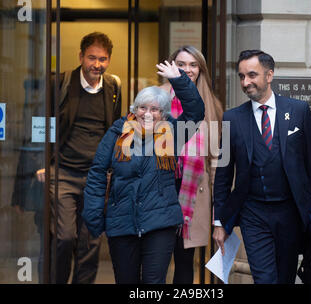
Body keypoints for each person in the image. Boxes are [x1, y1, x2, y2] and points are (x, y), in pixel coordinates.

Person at [82, 60, 205, 284]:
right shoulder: (117, 131)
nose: (147, 114)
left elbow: (196, 112)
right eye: (142, 107)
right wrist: (94, 217)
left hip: (160, 223)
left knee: (153, 283)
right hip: (122, 223)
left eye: (155, 109)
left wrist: (179, 80)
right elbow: (98, 173)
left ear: (164, 114)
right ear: (134, 109)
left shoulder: (173, 133)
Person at [212, 50, 311, 284]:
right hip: (253, 214)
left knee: (284, 278)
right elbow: (223, 174)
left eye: (252, 75)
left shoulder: (298, 111)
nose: (246, 82)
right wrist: (219, 222)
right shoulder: (232, 118)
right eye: (242, 77)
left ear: (269, 75)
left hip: (291, 213)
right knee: (264, 278)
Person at [34, 32, 122, 284]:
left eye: (103, 59)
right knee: (63, 238)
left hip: (95, 178)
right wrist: (42, 163)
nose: (97, 64)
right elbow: (42, 123)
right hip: (63, 174)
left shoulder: (113, 87)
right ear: (81, 56)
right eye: (92, 58)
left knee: (90, 243)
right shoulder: (60, 83)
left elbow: (115, 131)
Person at [159, 46, 223, 284]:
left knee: (185, 262)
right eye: (181, 64)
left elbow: (216, 161)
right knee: (157, 260)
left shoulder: (212, 106)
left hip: (193, 192)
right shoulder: (157, 98)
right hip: (162, 189)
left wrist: (219, 211)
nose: (187, 69)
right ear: (171, 66)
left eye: (193, 64)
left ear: (201, 69)